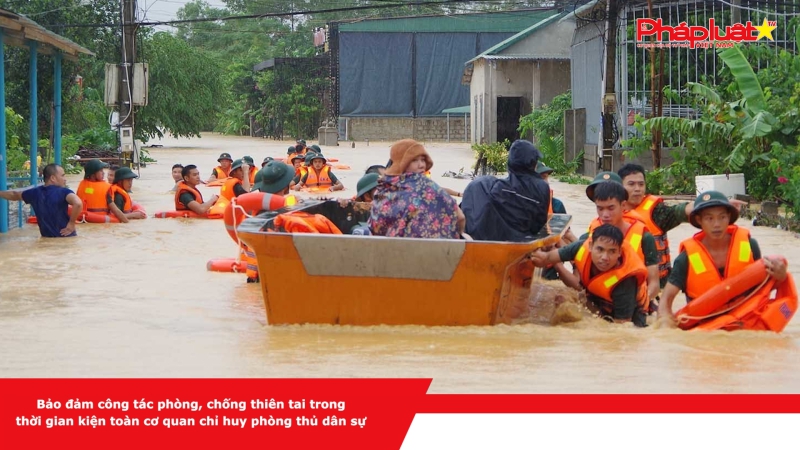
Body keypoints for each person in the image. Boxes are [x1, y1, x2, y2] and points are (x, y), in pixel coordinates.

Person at [657, 191, 787, 326]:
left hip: (746, 323)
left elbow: (763, 288)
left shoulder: (749, 246)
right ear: (699, 220)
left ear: (729, 218)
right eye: (709, 218)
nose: (717, 224)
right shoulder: (686, 258)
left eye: (722, 217)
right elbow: (666, 300)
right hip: (706, 329)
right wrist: (665, 324)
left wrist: (780, 277)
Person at [617, 163, 745, 288]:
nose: (637, 189)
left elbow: (682, 210)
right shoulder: (610, 212)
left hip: (657, 283)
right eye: (631, 184)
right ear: (620, 187)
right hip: (625, 283)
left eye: (641, 184)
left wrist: (718, 204)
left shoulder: (657, 212)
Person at [530, 224, 649, 327]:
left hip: (631, 317)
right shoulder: (580, 247)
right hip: (598, 300)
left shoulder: (625, 281)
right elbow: (546, 258)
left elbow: (621, 328)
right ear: (591, 246)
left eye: (612, 251)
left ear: (619, 252)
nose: (604, 257)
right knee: (562, 302)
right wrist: (535, 251)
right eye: (600, 250)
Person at [584, 176, 661, 305]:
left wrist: (637, 302)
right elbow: (579, 270)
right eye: (600, 208)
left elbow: (654, 284)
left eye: (611, 208)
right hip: (597, 298)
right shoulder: (592, 232)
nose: (605, 215)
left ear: (623, 205)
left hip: (633, 301)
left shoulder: (644, 237)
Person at [369, 139, 465, 239]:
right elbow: (460, 217)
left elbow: (374, 226)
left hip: (389, 250)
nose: (421, 165)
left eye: (423, 160)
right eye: (414, 160)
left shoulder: (383, 187)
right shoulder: (426, 186)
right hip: (432, 250)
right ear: (402, 162)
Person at [461, 139, 550, 242]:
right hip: (523, 245)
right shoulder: (542, 187)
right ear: (533, 164)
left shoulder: (486, 187)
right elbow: (537, 226)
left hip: (487, 245)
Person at [0, 164, 82, 237]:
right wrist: (71, 223)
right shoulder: (64, 192)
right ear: (53, 178)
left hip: (47, 238)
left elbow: (14, 194)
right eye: (63, 176)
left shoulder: (34, 193)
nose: (65, 179)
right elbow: (78, 203)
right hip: (66, 237)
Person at [536, 160, 577, 280]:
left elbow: (566, 236)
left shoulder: (557, 205)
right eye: (540, 178)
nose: (544, 182)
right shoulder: (518, 204)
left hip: (551, 265)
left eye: (545, 178)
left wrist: (576, 263)